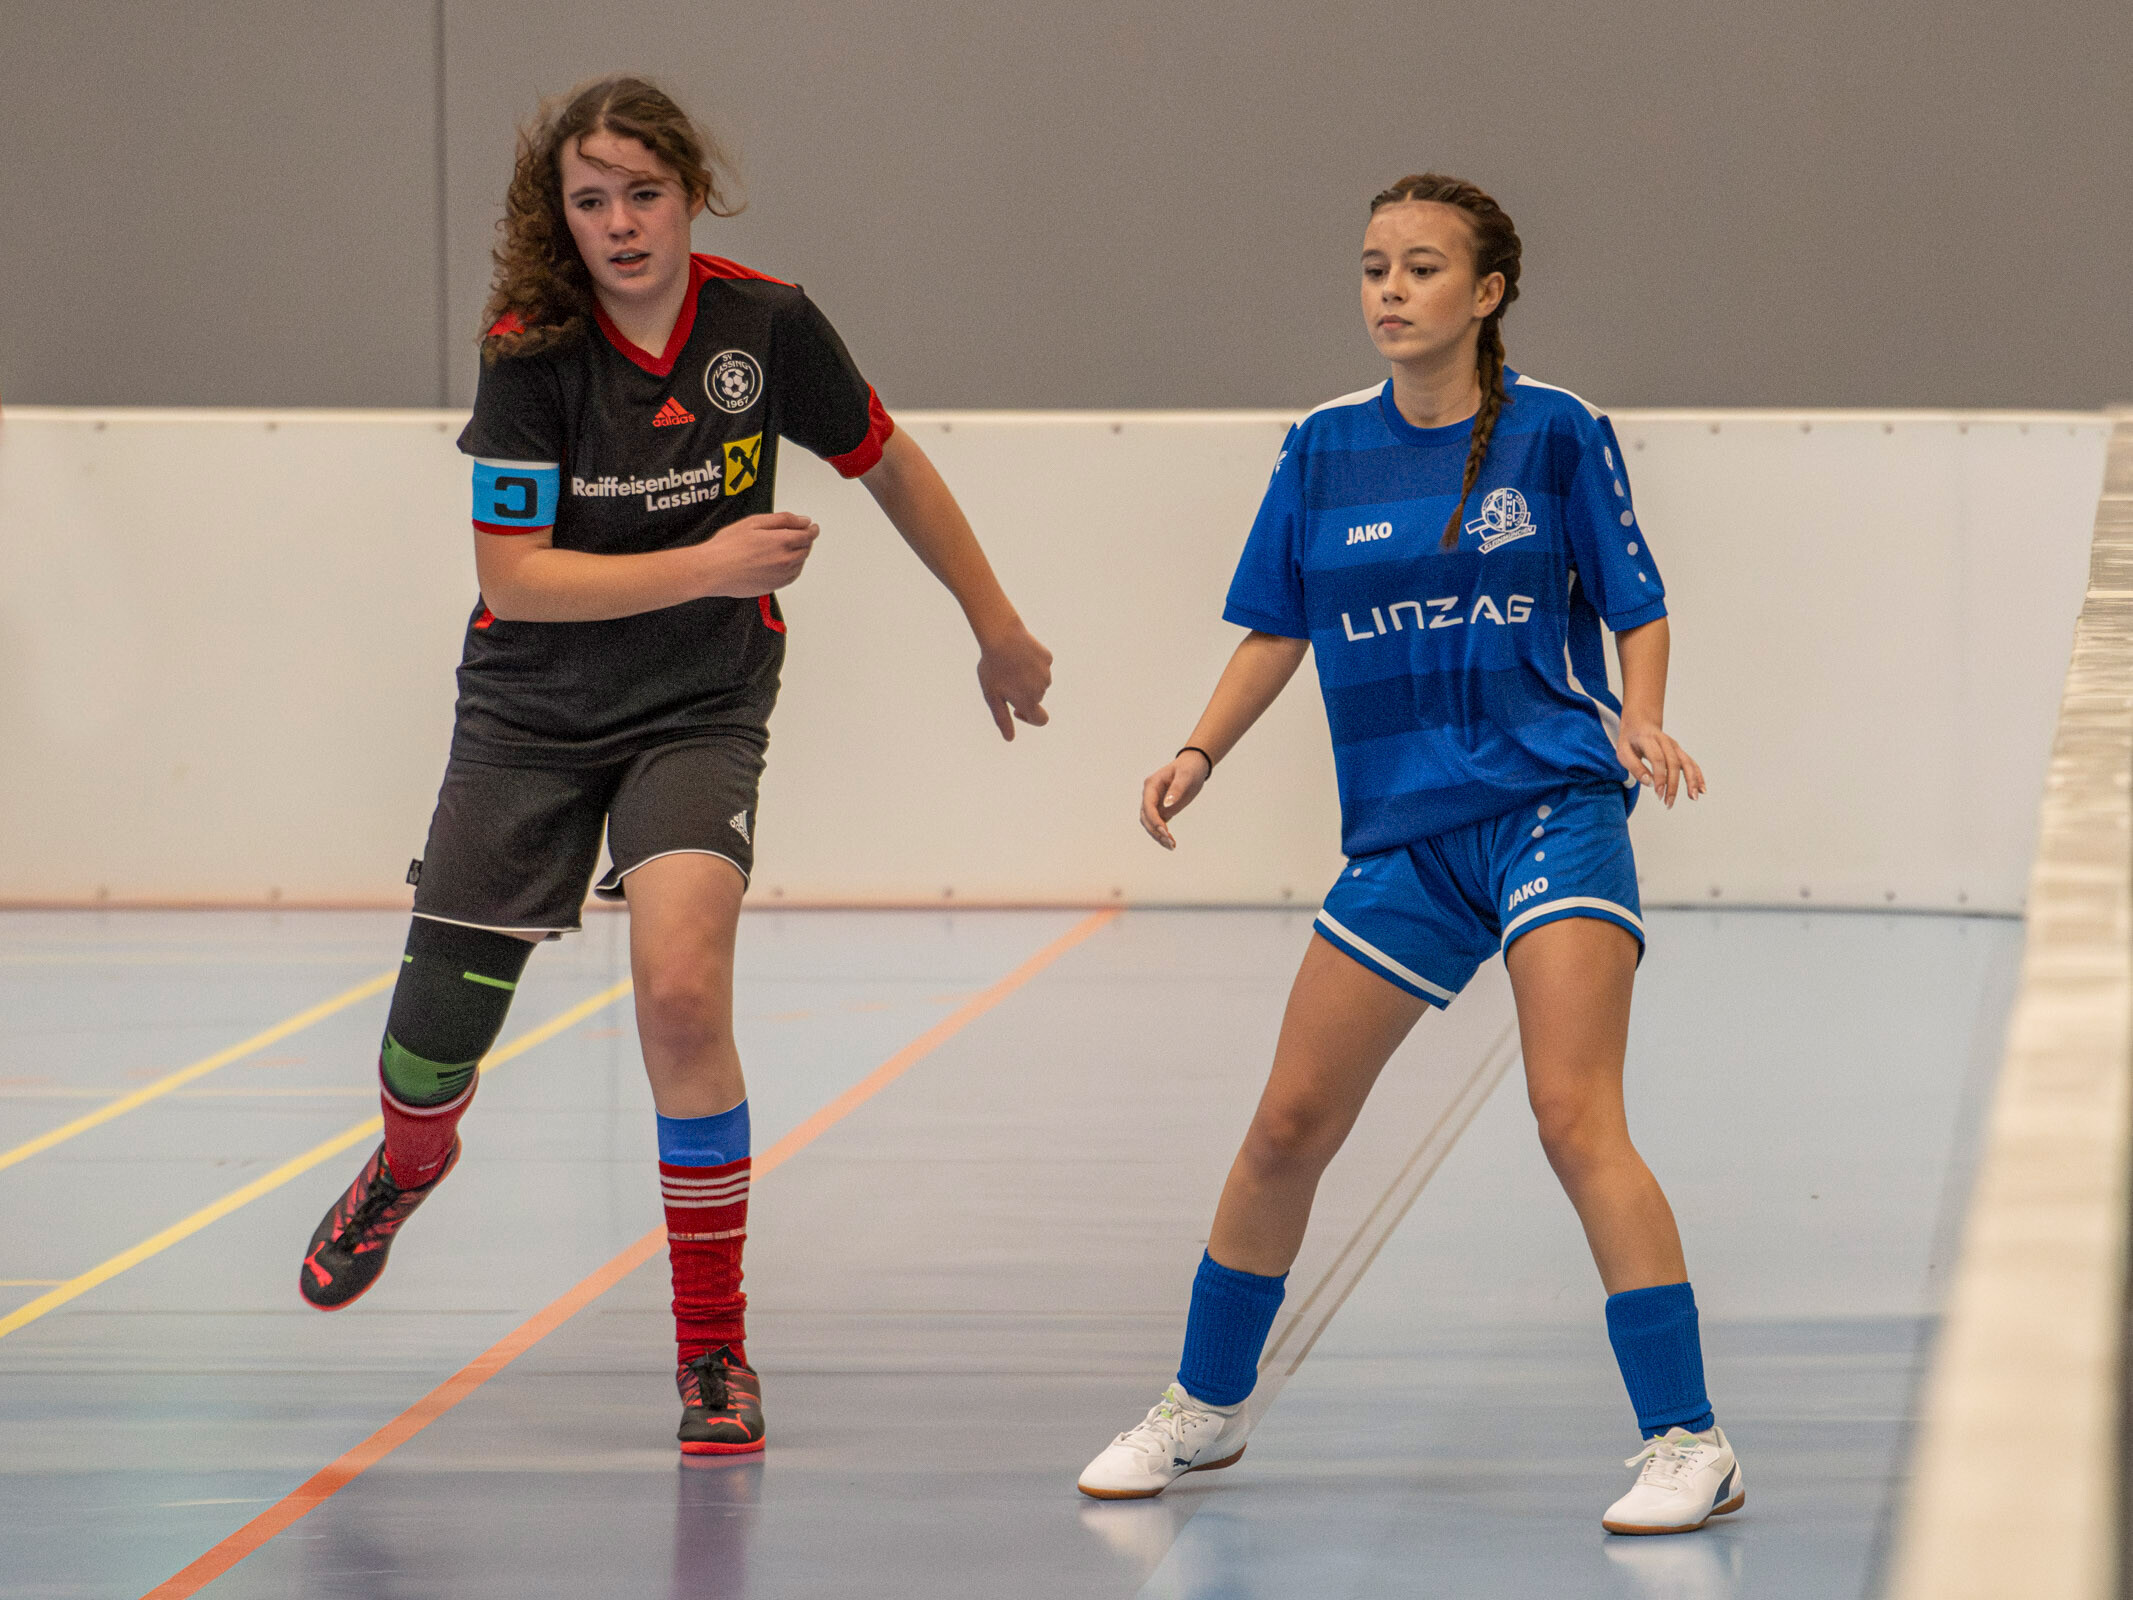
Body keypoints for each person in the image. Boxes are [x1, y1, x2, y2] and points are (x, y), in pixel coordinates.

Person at [296, 75, 1052, 1460]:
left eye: (643, 193)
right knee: (428, 1044)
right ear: (561, 217)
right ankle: (410, 1160)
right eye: (590, 201)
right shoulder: (531, 352)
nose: (621, 224)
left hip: (698, 710)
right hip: (529, 715)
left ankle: (713, 1350)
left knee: (684, 995)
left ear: (692, 194)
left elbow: (888, 462)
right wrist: (710, 561)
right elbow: (515, 583)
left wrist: (993, 625)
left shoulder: (765, 324)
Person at [1076, 174, 1740, 1536]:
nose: (1390, 290)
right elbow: (1277, 625)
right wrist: (1197, 751)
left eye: (1422, 268)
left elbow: (1637, 601)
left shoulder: (1556, 432)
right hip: (1405, 838)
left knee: (1571, 1115)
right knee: (1287, 1126)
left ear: (1486, 293)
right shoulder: (1322, 448)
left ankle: (1688, 1440)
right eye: (1374, 266)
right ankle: (1203, 1407)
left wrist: (1643, 717)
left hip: (1551, 807)